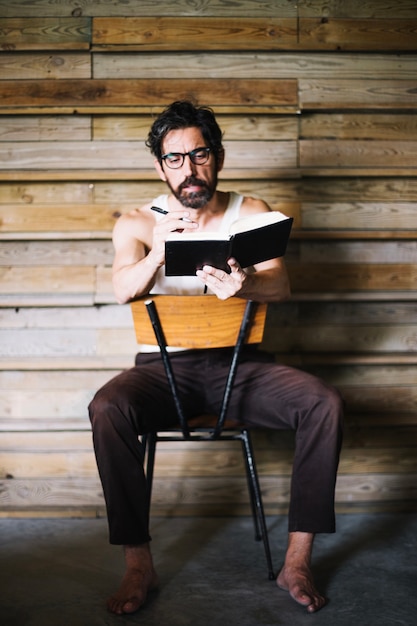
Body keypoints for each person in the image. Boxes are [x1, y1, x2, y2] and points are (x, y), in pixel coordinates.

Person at [88, 100, 344, 616]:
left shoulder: (250, 212)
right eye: (175, 159)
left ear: (218, 156)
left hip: (243, 368)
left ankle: (297, 561)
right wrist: (158, 254)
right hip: (164, 371)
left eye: (200, 155)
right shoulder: (138, 223)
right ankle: (138, 565)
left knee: (325, 403)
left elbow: (281, 284)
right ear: (160, 166)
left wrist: (247, 283)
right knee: (107, 408)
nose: (189, 169)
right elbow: (120, 289)